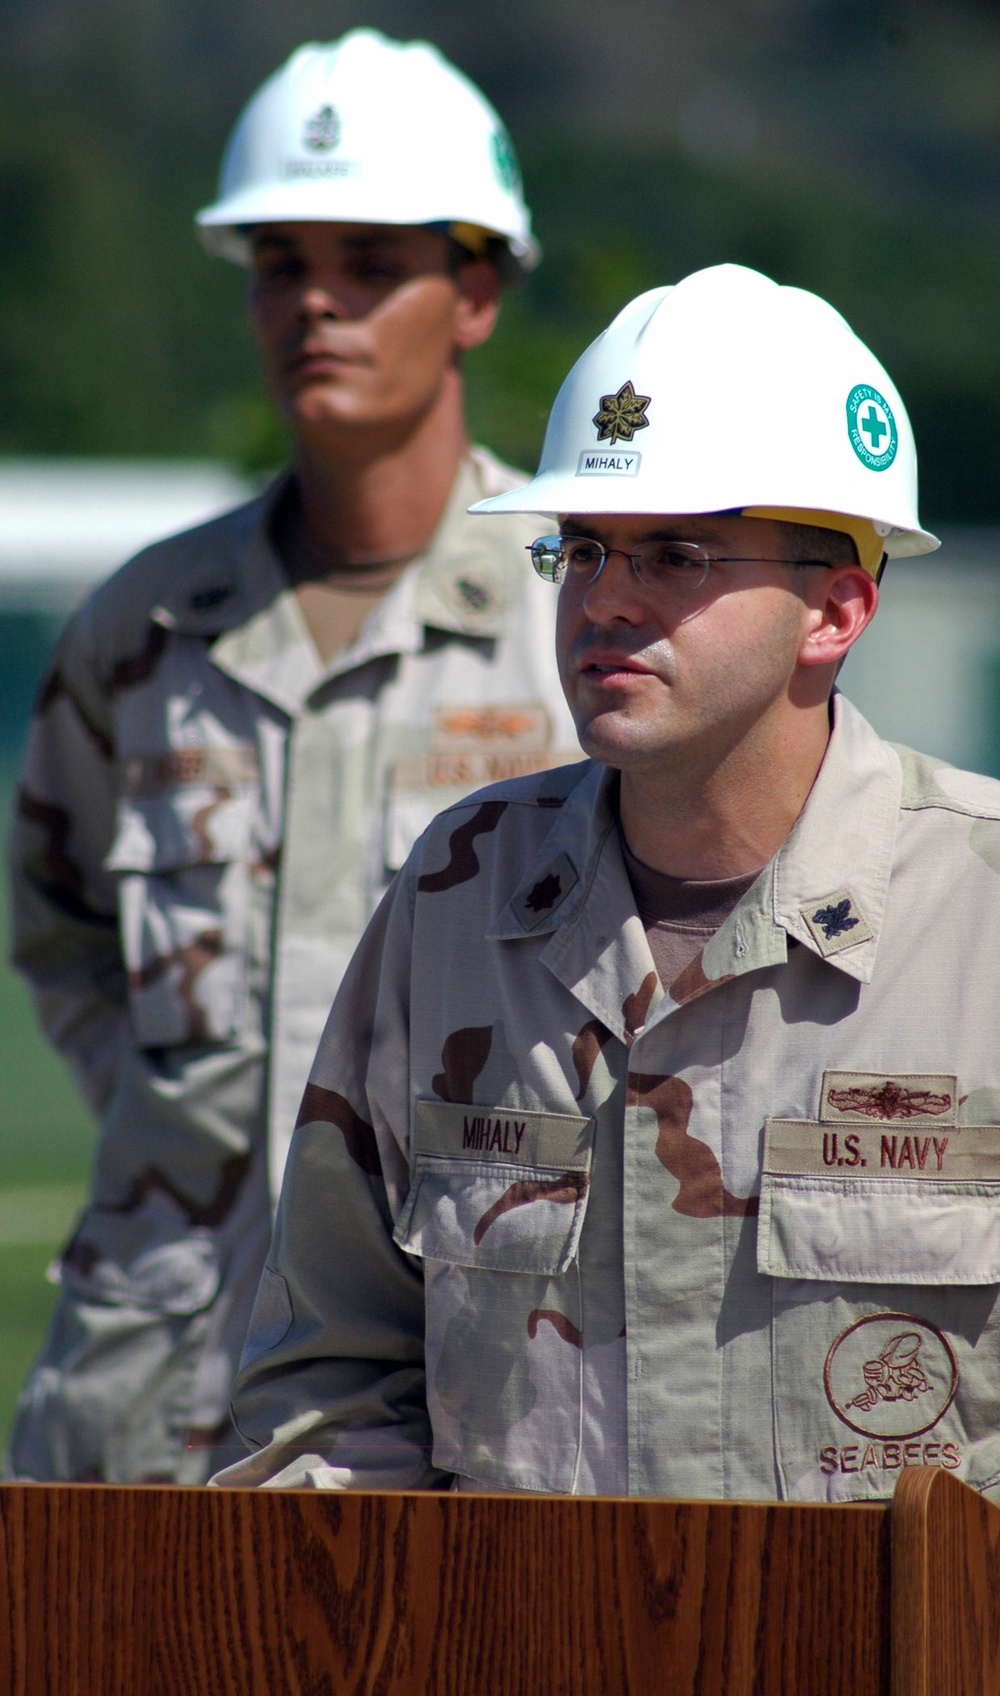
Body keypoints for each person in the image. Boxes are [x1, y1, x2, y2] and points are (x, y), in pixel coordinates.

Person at [217, 262, 1000, 1506]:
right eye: (580, 549)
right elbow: (329, 1380)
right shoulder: (457, 897)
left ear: (834, 608)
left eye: (675, 553)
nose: (603, 600)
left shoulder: (980, 911)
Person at [7, 29, 579, 1484]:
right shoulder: (141, 627)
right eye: (278, 261)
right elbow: (64, 927)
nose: (314, 300)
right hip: (154, 1388)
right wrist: (185, 1132)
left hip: (463, 1387)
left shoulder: (574, 620)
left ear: (478, 292)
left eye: (371, 261)